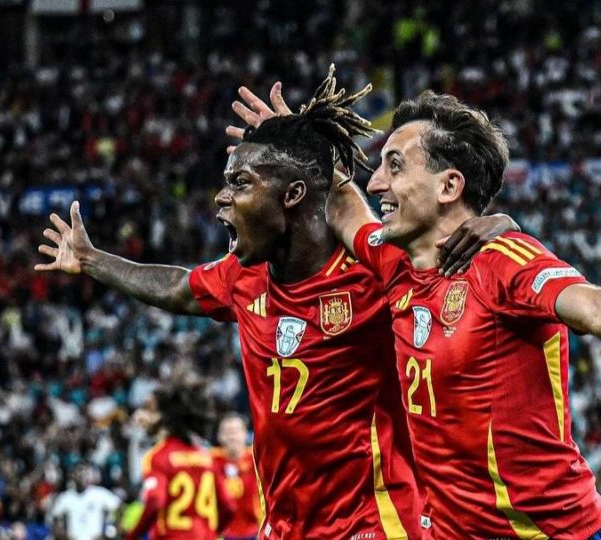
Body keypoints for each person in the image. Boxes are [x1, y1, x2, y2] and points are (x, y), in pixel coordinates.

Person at [229, 87, 601, 538]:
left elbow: (594, 306)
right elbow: (344, 205)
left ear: (449, 187)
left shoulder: (502, 261)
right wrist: (296, 143)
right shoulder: (393, 262)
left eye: (395, 166)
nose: (377, 183)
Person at [37, 68, 514, 539]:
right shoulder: (243, 276)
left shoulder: (374, 272)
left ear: (292, 195)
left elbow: (451, 253)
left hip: (371, 523)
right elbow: (178, 288)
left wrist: (499, 227)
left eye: (241, 182)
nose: (222, 197)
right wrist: (92, 260)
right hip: (284, 527)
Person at [124, 382, 236, 540]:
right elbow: (229, 507)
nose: (140, 415)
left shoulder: (159, 456)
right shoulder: (206, 457)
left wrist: (131, 537)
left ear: (165, 417)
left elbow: (155, 501)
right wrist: (211, 532)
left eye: (149, 410)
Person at [211, 413, 261, 539]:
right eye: (227, 432)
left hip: (255, 531)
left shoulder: (257, 458)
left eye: (236, 431)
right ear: (219, 436)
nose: (232, 436)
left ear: (246, 434)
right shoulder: (209, 459)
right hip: (221, 532)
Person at [48, 464, 122, 540]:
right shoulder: (66, 497)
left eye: (84, 474)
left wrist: (110, 531)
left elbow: (119, 507)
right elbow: (54, 517)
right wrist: (63, 535)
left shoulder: (99, 493)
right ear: (72, 476)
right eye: (78, 473)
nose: (81, 477)